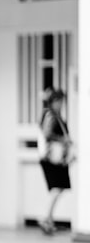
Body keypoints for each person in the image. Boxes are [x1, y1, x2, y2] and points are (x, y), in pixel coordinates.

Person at [37, 88, 73, 235]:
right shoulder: (50, 115)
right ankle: (46, 218)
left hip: (58, 158)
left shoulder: (55, 116)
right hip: (52, 158)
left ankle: (48, 219)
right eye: (59, 101)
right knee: (56, 188)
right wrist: (63, 140)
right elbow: (47, 133)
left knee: (58, 188)